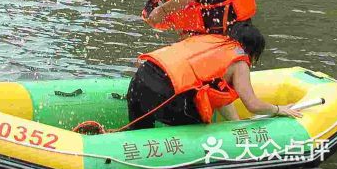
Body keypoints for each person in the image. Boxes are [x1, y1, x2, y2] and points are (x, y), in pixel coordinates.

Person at [126, 22, 302, 130]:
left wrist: (235, 125)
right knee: (199, 125)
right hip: (162, 96)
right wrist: (280, 110)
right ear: (253, 51)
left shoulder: (210, 41)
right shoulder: (239, 61)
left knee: (140, 131)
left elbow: (218, 95)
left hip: (139, 80)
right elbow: (252, 104)